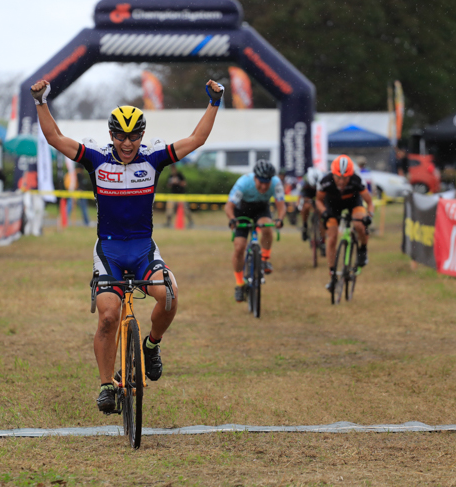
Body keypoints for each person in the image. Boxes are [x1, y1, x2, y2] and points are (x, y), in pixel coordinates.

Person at [30, 77, 224, 413]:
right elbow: (54, 138)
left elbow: (197, 138)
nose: (127, 142)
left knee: (170, 294)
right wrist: (40, 101)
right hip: (110, 251)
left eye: (134, 135)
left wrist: (214, 102)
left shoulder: (153, 159)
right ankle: (107, 385)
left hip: (142, 247)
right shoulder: (95, 158)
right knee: (108, 317)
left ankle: (151, 346)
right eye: (120, 135)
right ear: (111, 135)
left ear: (142, 136)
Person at [224, 160, 286, 302]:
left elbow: (281, 206)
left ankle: (264, 259)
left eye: (267, 182)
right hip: (242, 211)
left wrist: (280, 219)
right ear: (255, 178)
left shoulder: (276, 183)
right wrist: (233, 219)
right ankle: (239, 284)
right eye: (261, 182)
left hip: (261, 209)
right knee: (239, 247)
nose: (264, 186)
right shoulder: (243, 183)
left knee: (266, 226)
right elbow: (229, 206)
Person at [316, 155, 374, 291]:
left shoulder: (356, 180)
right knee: (332, 238)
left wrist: (369, 216)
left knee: (360, 224)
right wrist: (323, 211)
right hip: (332, 206)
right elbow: (318, 200)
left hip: (353, 202)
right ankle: (332, 277)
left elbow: (370, 202)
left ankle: (363, 250)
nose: (341, 181)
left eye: (345, 178)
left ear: (351, 175)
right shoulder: (326, 181)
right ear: (333, 174)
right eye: (338, 177)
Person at [299, 167, 324, 253]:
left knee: (322, 215)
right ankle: (305, 225)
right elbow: (300, 196)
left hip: (320, 192)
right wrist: (299, 205)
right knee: (306, 206)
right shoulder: (304, 181)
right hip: (308, 193)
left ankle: (322, 240)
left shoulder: (323, 180)